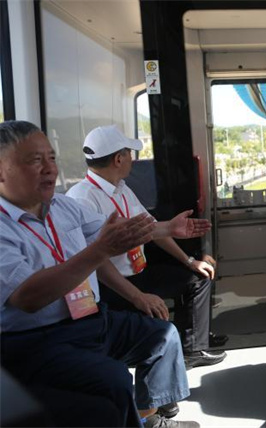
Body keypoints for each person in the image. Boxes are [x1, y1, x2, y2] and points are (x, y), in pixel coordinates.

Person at [0, 120, 200, 427]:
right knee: (114, 380)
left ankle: (148, 419)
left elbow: (122, 231)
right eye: (35, 160)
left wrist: (168, 228)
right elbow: (27, 297)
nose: (50, 168)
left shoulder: (63, 207)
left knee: (163, 336)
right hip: (36, 340)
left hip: (90, 318)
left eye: (51, 158)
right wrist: (99, 251)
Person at [66, 125, 228, 372]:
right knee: (154, 336)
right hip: (113, 288)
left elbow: (150, 229)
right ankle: (158, 377)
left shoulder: (122, 189)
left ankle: (193, 348)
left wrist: (189, 261)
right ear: (118, 159)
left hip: (139, 273)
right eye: (129, 153)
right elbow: (97, 263)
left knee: (197, 278)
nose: (133, 159)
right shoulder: (82, 198)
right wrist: (138, 297)